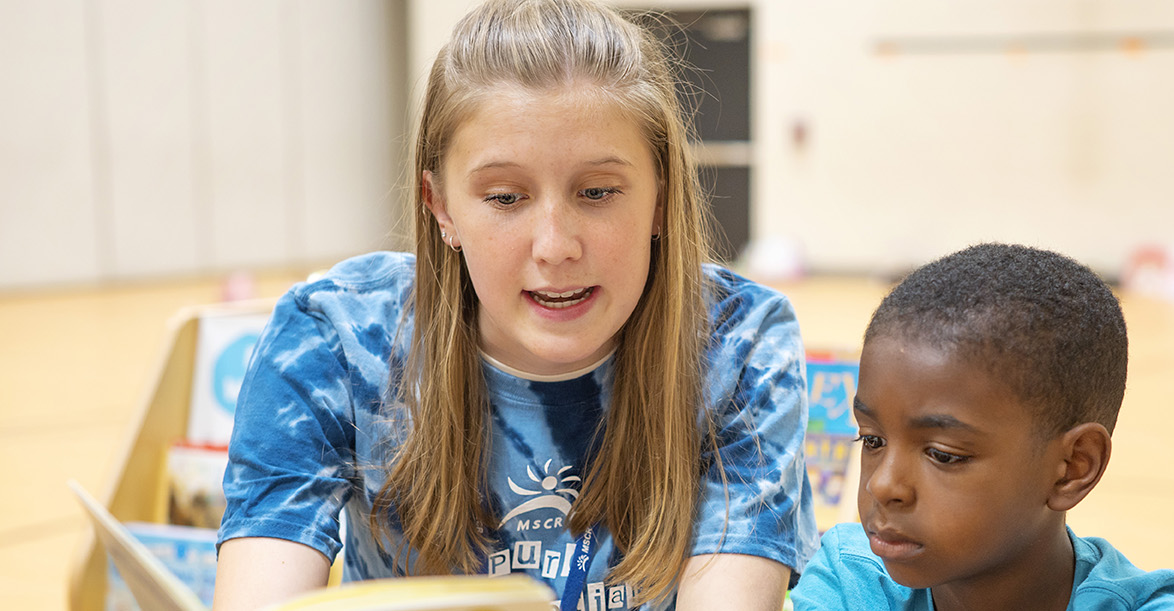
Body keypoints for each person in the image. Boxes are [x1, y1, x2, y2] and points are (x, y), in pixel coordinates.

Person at [212, 1, 817, 609]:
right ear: (441, 205)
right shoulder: (334, 338)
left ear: (660, 195)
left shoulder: (740, 344)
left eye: (597, 192)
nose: (555, 247)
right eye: (505, 197)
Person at [790, 244, 1174, 610]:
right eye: (872, 440)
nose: (882, 486)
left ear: (1072, 466)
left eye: (942, 454)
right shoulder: (849, 581)